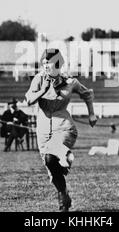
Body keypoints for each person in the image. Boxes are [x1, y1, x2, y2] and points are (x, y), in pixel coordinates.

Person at [25, 48, 97, 212]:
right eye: (43, 63)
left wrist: (91, 114)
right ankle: (64, 194)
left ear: (57, 64)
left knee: (51, 158)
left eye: (48, 63)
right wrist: (42, 90)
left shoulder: (70, 81)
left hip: (64, 127)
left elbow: (87, 94)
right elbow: (29, 99)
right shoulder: (38, 79)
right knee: (50, 166)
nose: (45, 67)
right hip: (43, 131)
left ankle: (62, 200)